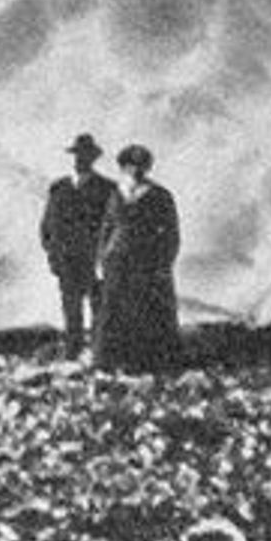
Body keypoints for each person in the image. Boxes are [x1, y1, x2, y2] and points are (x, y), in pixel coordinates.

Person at [92, 144, 184, 371]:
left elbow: (171, 232)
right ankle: (109, 360)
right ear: (123, 167)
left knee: (147, 308)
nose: (136, 171)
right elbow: (107, 227)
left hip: (147, 260)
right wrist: (101, 256)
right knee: (114, 309)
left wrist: (165, 261)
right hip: (117, 259)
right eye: (131, 166)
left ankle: (149, 360)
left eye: (141, 166)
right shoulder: (116, 194)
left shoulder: (160, 195)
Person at [40, 132, 111, 358]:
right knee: (71, 308)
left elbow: (111, 226)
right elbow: (47, 226)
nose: (81, 160)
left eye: (86, 155)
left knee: (98, 306)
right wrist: (52, 254)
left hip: (94, 259)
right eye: (78, 155)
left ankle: (99, 351)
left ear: (93, 158)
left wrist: (105, 257)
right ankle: (73, 350)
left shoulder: (106, 188)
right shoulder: (59, 188)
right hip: (66, 258)